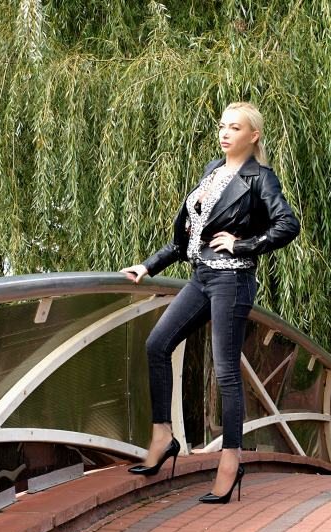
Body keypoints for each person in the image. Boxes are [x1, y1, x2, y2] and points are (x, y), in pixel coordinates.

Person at [121, 102, 300, 503]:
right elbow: (189, 236)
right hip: (201, 277)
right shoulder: (212, 170)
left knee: (225, 372)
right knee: (157, 344)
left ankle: (231, 460)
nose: (225, 133)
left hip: (232, 281)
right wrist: (148, 266)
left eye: (235, 127)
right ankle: (162, 436)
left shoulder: (260, 178)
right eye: (222, 126)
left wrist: (244, 244)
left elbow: (288, 224)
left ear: (253, 135)